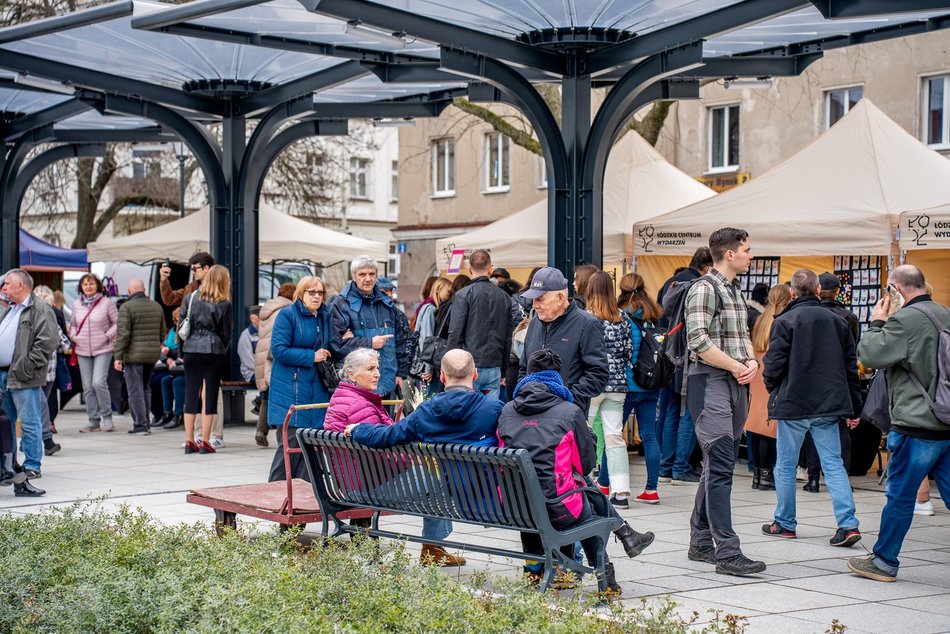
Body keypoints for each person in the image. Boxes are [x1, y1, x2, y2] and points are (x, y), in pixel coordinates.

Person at [498, 348, 655, 591]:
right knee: (586, 502)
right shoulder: (569, 413)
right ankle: (608, 573)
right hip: (556, 507)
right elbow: (585, 466)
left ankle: (534, 572)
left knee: (558, 492)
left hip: (513, 506)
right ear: (557, 377)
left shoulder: (507, 410)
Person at [344, 349, 502, 566]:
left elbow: (388, 436)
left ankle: (432, 548)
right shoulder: (493, 409)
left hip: (448, 486)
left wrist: (358, 429)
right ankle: (432, 547)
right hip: (488, 498)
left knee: (436, 478)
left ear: (443, 377)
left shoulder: (426, 411)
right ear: (474, 374)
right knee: (439, 480)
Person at [849, 265, 950, 582]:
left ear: (895, 289)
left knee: (901, 496)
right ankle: (883, 559)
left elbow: (870, 355)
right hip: (947, 418)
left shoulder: (905, 320)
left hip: (917, 421)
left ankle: (884, 561)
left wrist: (877, 321)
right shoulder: (944, 313)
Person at [684, 227, 766, 577]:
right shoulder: (704, 288)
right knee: (719, 466)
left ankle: (701, 542)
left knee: (718, 464)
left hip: (733, 381)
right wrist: (737, 365)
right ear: (729, 254)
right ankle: (727, 551)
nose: (751, 255)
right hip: (710, 382)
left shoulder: (733, 290)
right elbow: (697, 340)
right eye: (747, 250)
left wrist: (751, 362)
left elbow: (742, 336)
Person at [761, 269, 862, 547]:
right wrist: (855, 407)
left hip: (794, 402)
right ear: (818, 291)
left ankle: (784, 522)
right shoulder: (840, 322)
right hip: (828, 403)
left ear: (793, 293)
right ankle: (848, 524)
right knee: (834, 464)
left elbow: (773, 365)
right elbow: (850, 368)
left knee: (785, 464)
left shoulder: (785, 320)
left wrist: (774, 388)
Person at [267, 276, 333, 481]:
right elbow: (278, 350)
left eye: (320, 292)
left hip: (317, 387)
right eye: (311, 292)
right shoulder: (287, 315)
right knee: (291, 444)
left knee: (312, 446)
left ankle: (304, 497)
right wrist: (311, 356)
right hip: (292, 388)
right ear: (301, 293)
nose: (316, 296)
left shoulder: (324, 316)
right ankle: (274, 493)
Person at [656, 247, 712, 486]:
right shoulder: (700, 286)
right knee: (689, 412)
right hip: (687, 358)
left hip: (667, 355)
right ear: (707, 267)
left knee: (670, 412)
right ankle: (681, 467)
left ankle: (666, 466)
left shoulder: (670, 282)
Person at [0, 269, 58, 496]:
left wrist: (27, 366)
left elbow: (48, 341)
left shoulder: (40, 308)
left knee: (30, 421)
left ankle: (32, 466)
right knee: (7, 424)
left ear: (21, 286)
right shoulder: (11, 308)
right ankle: (10, 466)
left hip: (23, 376)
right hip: (5, 374)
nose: (3, 288)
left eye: (7, 284)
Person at [519, 267, 608, 415]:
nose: (535, 305)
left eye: (540, 299)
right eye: (533, 299)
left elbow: (598, 373)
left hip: (567, 417)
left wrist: (569, 399)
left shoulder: (586, 324)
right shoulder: (534, 323)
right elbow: (523, 367)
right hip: (532, 412)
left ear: (560, 297)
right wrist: (525, 395)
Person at [584, 271, 634, 508]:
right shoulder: (622, 318)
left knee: (584, 433)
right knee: (615, 437)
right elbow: (628, 353)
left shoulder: (585, 318)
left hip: (591, 384)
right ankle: (621, 492)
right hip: (617, 384)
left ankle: (584, 484)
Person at [330, 255, 408, 400]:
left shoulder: (386, 303)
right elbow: (336, 345)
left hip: (388, 382)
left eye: (371, 274)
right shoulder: (341, 304)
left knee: (387, 423)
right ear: (354, 276)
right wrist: (370, 343)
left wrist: (401, 373)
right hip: (357, 386)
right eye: (362, 274)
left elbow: (399, 341)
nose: (367, 278)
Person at [616, 272, 664, 505]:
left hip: (626, 385)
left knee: (614, 436)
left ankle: (606, 482)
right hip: (650, 383)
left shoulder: (620, 316)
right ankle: (651, 489)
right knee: (649, 435)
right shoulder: (653, 314)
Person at [446, 250, 513, 400]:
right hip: (494, 364)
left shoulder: (463, 295)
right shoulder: (504, 297)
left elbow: (455, 333)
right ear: (490, 269)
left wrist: (449, 366)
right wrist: (503, 369)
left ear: (469, 270)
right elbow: (508, 336)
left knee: (465, 410)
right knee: (490, 414)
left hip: (468, 365)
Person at [180, 264, 232, 455]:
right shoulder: (224, 304)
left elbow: (182, 327)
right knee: (209, 397)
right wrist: (222, 348)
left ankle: (189, 441)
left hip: (191, 350)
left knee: (190, 396)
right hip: (213, 350)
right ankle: (205, 441)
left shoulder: (190, 298)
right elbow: (227, 333)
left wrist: (182, 352)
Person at [745, 284, 791, 491]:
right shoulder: (782, 320)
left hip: (757, 373)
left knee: (754, 425)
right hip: (772, 375)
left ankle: (757, 473)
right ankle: (766, 474)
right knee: (768, 428)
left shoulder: (760, 319)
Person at [113, 279, 166, 435]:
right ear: (143, 289)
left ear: (129, 292)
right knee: (145, 388)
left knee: (135, 390)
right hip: (151, 355)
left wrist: (118, 356)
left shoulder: (126, 307)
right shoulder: (157, 306)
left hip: (133, 356)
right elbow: (162, 331)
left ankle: (140, 425)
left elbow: (123, 334)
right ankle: (146, 423)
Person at [69, 272, 119, 433]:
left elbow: (117, 323)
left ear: (97, 285)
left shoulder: (107, 303)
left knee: (98, 382)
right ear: (81, 288)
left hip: (103, 348)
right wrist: (73, 335)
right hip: (83, 348)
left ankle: (107, 417)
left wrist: (107, 336)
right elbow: (74, 323)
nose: (88, 287)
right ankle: (93, 421)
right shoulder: (77, 304)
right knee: (88, 387)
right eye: (85, 284)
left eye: (91, 284)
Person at [254, 283, 295, 447]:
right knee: (281, 397)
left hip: (263, 356)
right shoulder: (286, 310)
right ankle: (281, 438)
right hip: (275, 357)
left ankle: (260, 431)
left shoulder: (267, 310)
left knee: (266, 396)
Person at [32, 286, 65, 457]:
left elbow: (65, 343)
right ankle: (46, 439)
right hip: (37, 372)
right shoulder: (32, 320)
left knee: (39, 406)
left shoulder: (49, 321)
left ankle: (31, 442)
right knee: (41, 404)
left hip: (48, 372)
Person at [414, 277, 452, 393]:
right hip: (426, 366)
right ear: (439, 289)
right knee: (428, 398)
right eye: (448, 292)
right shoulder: (430, 309)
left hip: (425, 364)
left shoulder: (428, 306)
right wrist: (429, 368)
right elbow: (427, 340)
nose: (450, 295)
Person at [237, 305, 260, 386]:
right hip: (251, 373)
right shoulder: (245, 336)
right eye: (260, 317)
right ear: (252, 318)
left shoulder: (265, 333)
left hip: (263, 372)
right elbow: (248, 361)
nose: (263, 320)